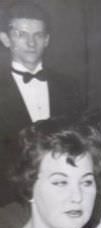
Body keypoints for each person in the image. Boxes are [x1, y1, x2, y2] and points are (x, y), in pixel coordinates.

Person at [0, 0, 83, 205]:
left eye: (38, 35)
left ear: (47, 40)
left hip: (63, 196)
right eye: (21, 34)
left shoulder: (69, 87)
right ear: (5, 39)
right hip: (9, 200)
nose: (31, 43)